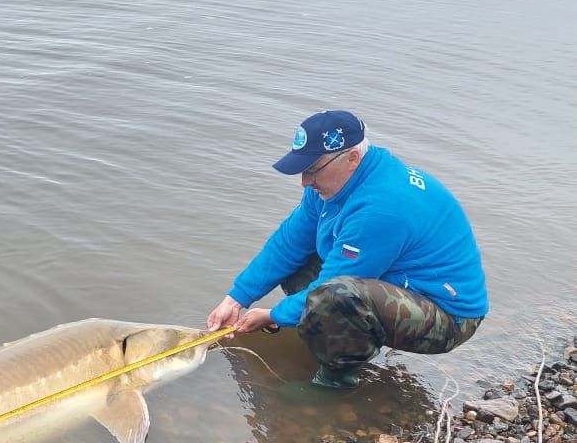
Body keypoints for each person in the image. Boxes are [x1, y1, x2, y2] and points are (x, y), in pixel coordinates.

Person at [206, 109, 488, 389]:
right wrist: (236, 299)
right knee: (300, 265)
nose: (305, 181)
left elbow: (330, 287)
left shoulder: (382, 209)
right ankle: (328, 335)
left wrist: (272, 315)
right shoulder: (335, 186)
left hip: (449, 317)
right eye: (302, 169)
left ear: (352, 158)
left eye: (313, 170)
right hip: (401, 285)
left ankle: (336, 380)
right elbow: (288, 243)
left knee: (335, 297)